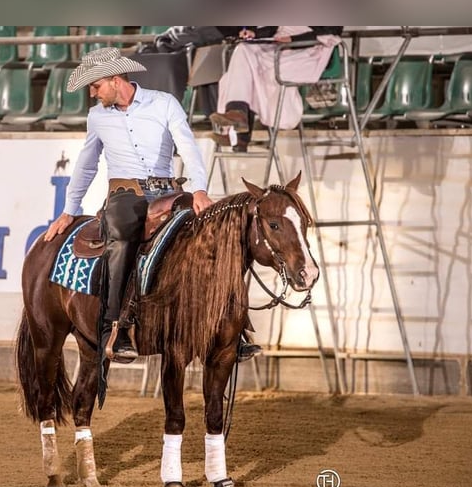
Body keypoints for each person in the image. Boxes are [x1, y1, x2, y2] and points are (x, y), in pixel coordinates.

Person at [42, 47, 213, 363]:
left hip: (168, 192)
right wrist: (69, 210)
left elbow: (188, 147)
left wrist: (200, 189)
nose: (93, 94)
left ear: (115, 79)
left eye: (96, 86)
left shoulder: (164, 104)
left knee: (212, 234)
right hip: (124, 194)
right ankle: (114, 326)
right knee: (121, 239)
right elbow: (87, 164)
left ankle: (229, 322)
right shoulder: (97, 117)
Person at [211, 26, 343, 152]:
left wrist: (293, 39)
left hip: (308, 48)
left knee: (251, 70)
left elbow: (333, 29)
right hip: (279, 45)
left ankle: (239, 135)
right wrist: (255, 34)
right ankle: (237, 114)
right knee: (242, 49)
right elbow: (274, 27)